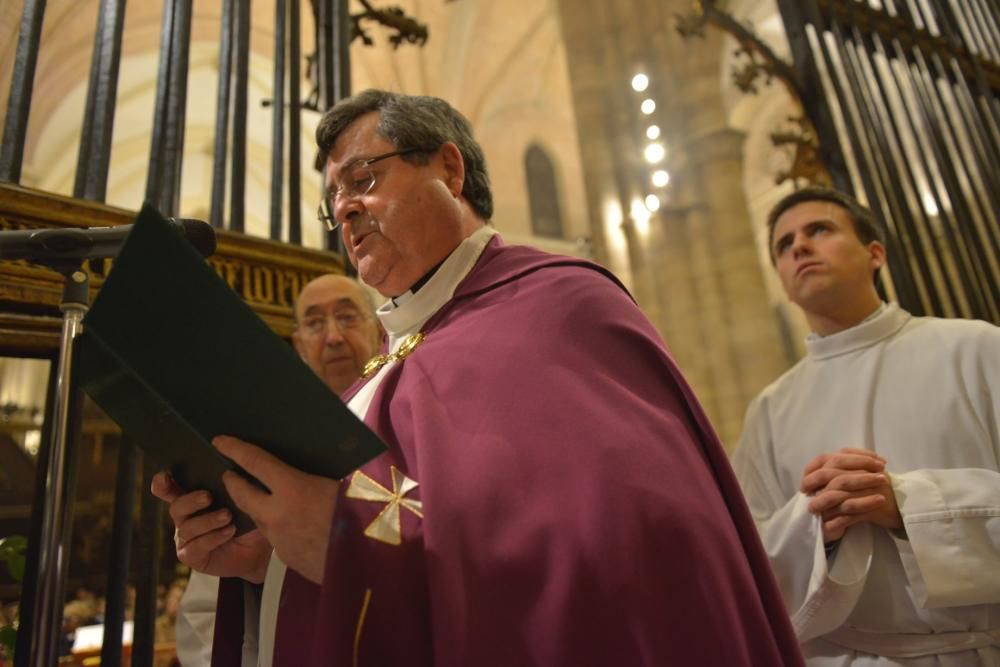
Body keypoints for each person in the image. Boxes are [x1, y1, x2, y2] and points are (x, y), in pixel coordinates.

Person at [155, 89, 803, 666]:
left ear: (449, 167)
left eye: (362, 178)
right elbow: (410, 525)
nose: (346, 210)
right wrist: (270, 563)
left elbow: (619, 552)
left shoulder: (560, 309)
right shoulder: (389, 364)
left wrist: (340, 542)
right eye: (333, 201)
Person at [731, 186, 1000, 665]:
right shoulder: (769, 412)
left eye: (819, 230)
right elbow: (748, 562)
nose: (799, 247)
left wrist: (910, 507)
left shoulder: (977, 350)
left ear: (875, 254)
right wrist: (819, 529)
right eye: (783, 244)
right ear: (783, 282)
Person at [173, 273, 382, 666]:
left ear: (379, 329)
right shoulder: (263, 451)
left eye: (348, 317)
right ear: (299, 345)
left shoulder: (407, 427)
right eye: (316, 323)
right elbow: (207, 617)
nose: (334, 337)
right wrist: (260, 573)